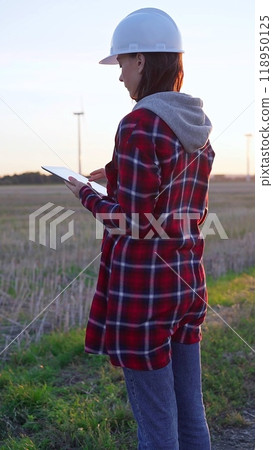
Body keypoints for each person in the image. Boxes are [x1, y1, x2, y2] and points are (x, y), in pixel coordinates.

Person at [65, 8, 214, 450]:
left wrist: (86, 194)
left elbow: (133, 222)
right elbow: (176, 202)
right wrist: (114, 173)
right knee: (191, 417)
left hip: (144, 296)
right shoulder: (197, 129)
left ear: (142, 61)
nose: (120, 76)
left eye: (123, 64)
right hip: (187, 286)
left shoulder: (138, 123)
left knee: (157, 429)